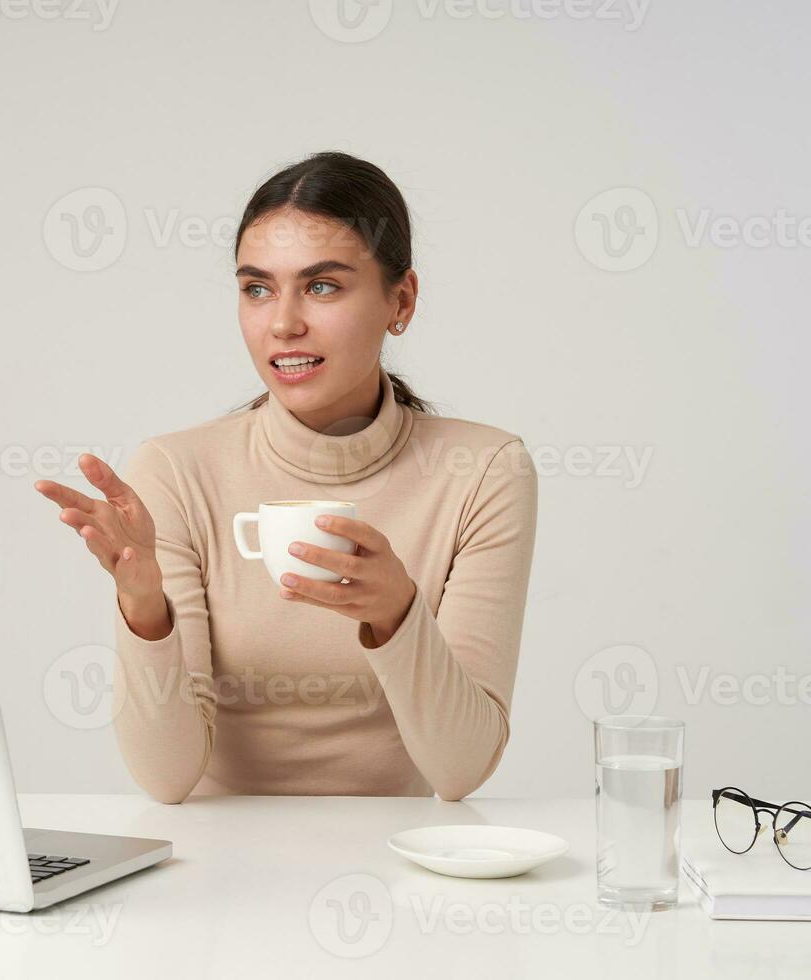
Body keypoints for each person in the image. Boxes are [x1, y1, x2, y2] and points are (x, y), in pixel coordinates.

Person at [34, 151, 538, 803]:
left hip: (396, 868)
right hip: (216, 870)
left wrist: (396, 614)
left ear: (400, 300)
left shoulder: (484, 473)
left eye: (323, 286)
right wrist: (144, 608)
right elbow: (167, 778)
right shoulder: (178, 470)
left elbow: (461, 767)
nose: (282, 323)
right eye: (257, 288)